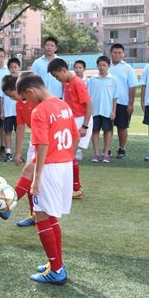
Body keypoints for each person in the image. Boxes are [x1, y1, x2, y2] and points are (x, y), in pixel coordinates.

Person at [16, 73, 79, 284]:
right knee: (51, 216)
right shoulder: (63, 106)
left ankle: (57, 270)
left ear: (31, 91)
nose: (27, 103)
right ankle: (56, 262)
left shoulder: (40, 110)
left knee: (42, 216)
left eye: (26, 98)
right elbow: (75, 136)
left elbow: (42, 145)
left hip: (50, 168)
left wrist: (37, 176)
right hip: (65, 165)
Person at [0, 73, 37, 227]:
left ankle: (8, 207)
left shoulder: (37, 99)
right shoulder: (19, 104)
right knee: (29, 178)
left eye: (12, 94)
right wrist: (17, 153)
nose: (12, 98)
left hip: (48, 141)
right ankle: (33, 214)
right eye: (8, 97)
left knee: (30, 176)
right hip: (36, 140)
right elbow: (20, 127)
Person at [48, 58, 93, 199]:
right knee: (67, 155)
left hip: (80, 121)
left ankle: (75, 188)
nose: (57, 79)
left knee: (68, 156)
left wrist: (84, 126)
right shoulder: (67, 83)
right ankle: (74, 188)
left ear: (63, 70)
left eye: (57, 76)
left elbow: (89, 104)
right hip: (72, 120)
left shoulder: (78, 83)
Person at [109, 44, 139, 159]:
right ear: (110, 53)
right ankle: (108, 149)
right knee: (108, 127)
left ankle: (122, 149)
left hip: (122, 103)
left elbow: (132, 87)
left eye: (119, 53)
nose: (117, 55)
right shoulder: (106, 66)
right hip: (108, 103)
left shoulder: (128, 68)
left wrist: (130, 104)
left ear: (123, 54)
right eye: (115, 52)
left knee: (122, 127)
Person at [87, 56, 117, 164]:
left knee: (107, 131)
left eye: (104, 65)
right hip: (94, 111)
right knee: (95, 131)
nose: (102, 67)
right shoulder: (92, 79)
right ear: (97, 66)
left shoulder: (113, 79)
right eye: (100, 65)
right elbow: (88, 97)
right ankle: (96, 153)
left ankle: (105, 153)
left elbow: (115, 97)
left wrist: (113, 111)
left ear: (108, 66)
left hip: (107, 111)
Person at [0, 58, 20, 162]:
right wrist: (2, 111)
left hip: (19, 113)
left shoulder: (21, 81)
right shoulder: (5, 81)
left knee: (18, 132)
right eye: (11, 67)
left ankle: (18, 153)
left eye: (15, 67)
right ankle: (8, 153)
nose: (13, 69)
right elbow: (1, 97)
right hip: (8, 112)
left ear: (19, 68)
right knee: (7, 132)